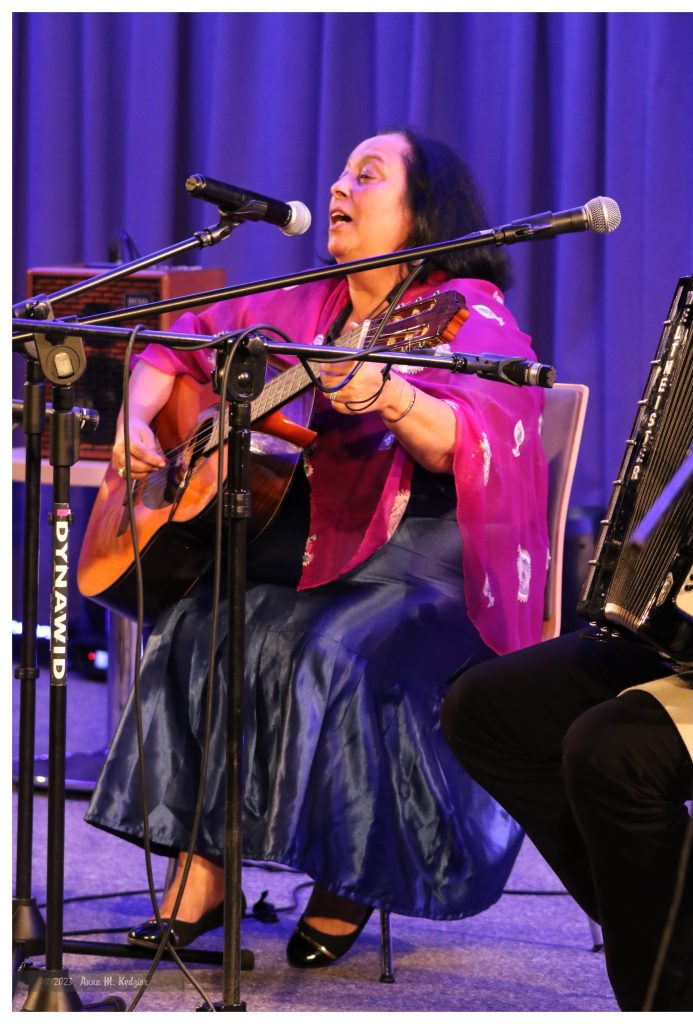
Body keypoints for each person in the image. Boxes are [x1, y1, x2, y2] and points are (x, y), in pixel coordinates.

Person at [85, 128, 550, 967]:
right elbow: (176, 337)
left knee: (332, 649)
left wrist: (390, 393)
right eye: (340, 173)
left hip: (431, 561)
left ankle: (350, 873)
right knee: (195, 625)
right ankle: (202, 875)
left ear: (422, 212)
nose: (339, 188)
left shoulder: (465, 309)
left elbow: (468, 433)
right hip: (323, 548)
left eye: (367, 176)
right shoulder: (311, 303)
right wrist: (134, 419)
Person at [440, 626, 693, 1011]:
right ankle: (666, 932)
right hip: (676, 647)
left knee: (609, 754)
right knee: (481, 708)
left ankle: (669, 988)